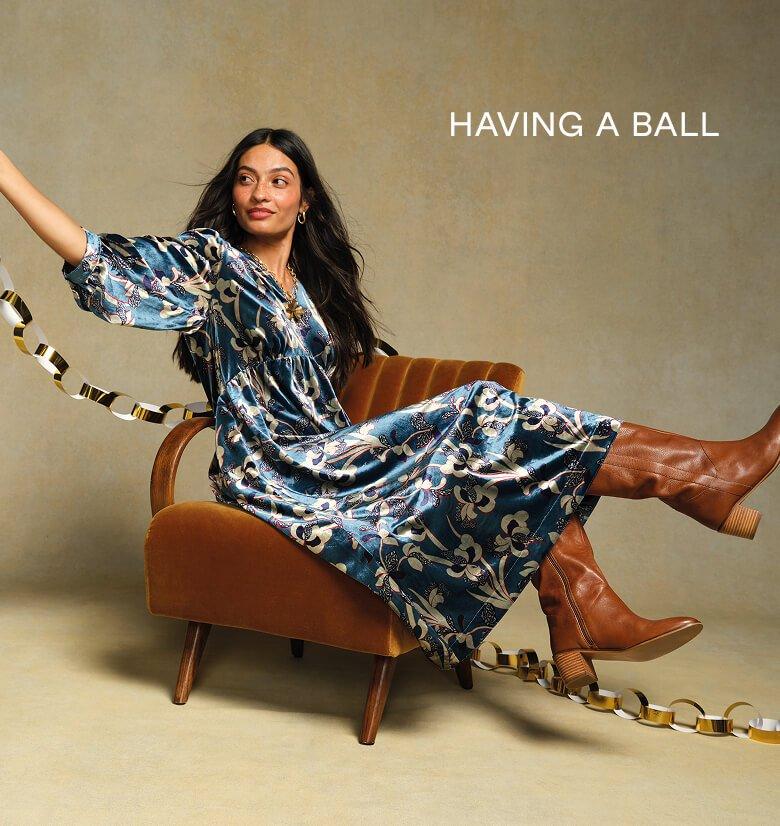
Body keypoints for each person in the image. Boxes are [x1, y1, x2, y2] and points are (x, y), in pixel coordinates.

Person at [1, 130, 777, 692]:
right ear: (232, 195)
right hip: (277, 469)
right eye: (246, 178)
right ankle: (699, 480)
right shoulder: (212, 266)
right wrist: (6, 173)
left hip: (336, 457)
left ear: (304, 202)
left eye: (278, 179)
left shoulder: (311, 293)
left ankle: (582, 612)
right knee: (484, 408)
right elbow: (94, 256)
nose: (259, 191)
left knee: (503, 446)